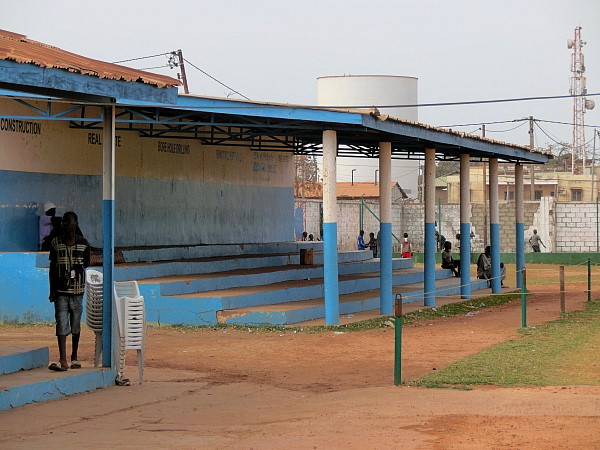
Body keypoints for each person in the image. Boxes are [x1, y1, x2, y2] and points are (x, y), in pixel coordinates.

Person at [48, 211, 90, 372]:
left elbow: (86, 263)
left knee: (75, 325)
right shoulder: (55, 243)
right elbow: (52, 268)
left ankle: (74, 357)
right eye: (64, 223)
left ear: (76, 224)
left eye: (69, 223)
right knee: (61, 323)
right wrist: (52, 290)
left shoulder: (84, 244)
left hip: (78, 291)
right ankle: (63, 359)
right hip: (60, 291)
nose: (66, 226)